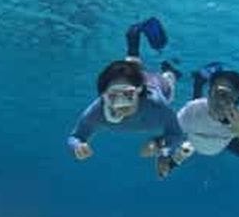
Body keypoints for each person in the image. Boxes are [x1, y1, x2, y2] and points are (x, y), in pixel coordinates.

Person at [67, 18, 188, 179]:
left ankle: (168, 70)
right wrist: (78, 146)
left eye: (127, 95)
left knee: (169, 79)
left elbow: (177, 135)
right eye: (113, 96)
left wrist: (159, 145)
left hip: (157, 84)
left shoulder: (157, 105)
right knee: (127, 72)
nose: (120, 104)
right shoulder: (99, 109)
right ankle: (133, 38)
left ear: (138, 92)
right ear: (104, 96)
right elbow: (75, 137)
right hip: (135, 82)